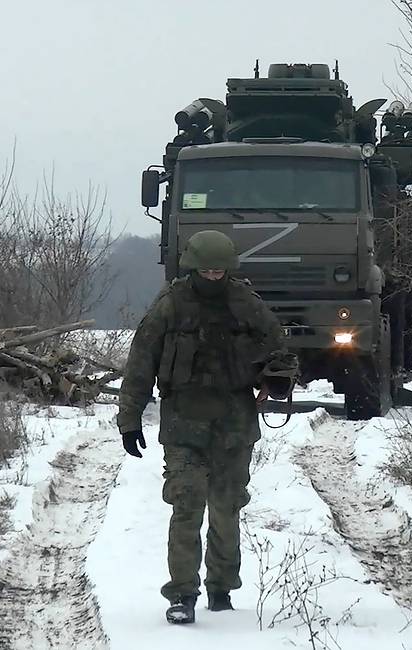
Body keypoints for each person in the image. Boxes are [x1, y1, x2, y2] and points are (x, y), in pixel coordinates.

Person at [116, 229, 296, 625]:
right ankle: (182, 593)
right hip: (184, 423)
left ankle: (221, 588)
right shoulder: (171, 305)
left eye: (220, 271)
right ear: (193, 268)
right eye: (207, 271)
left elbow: (278, 350)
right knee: (186, 505)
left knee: (228, 508)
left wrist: (278, 377)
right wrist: (129, 418)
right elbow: (141, 361)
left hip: (234, 421)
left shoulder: (246, 304)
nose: (213, 277)